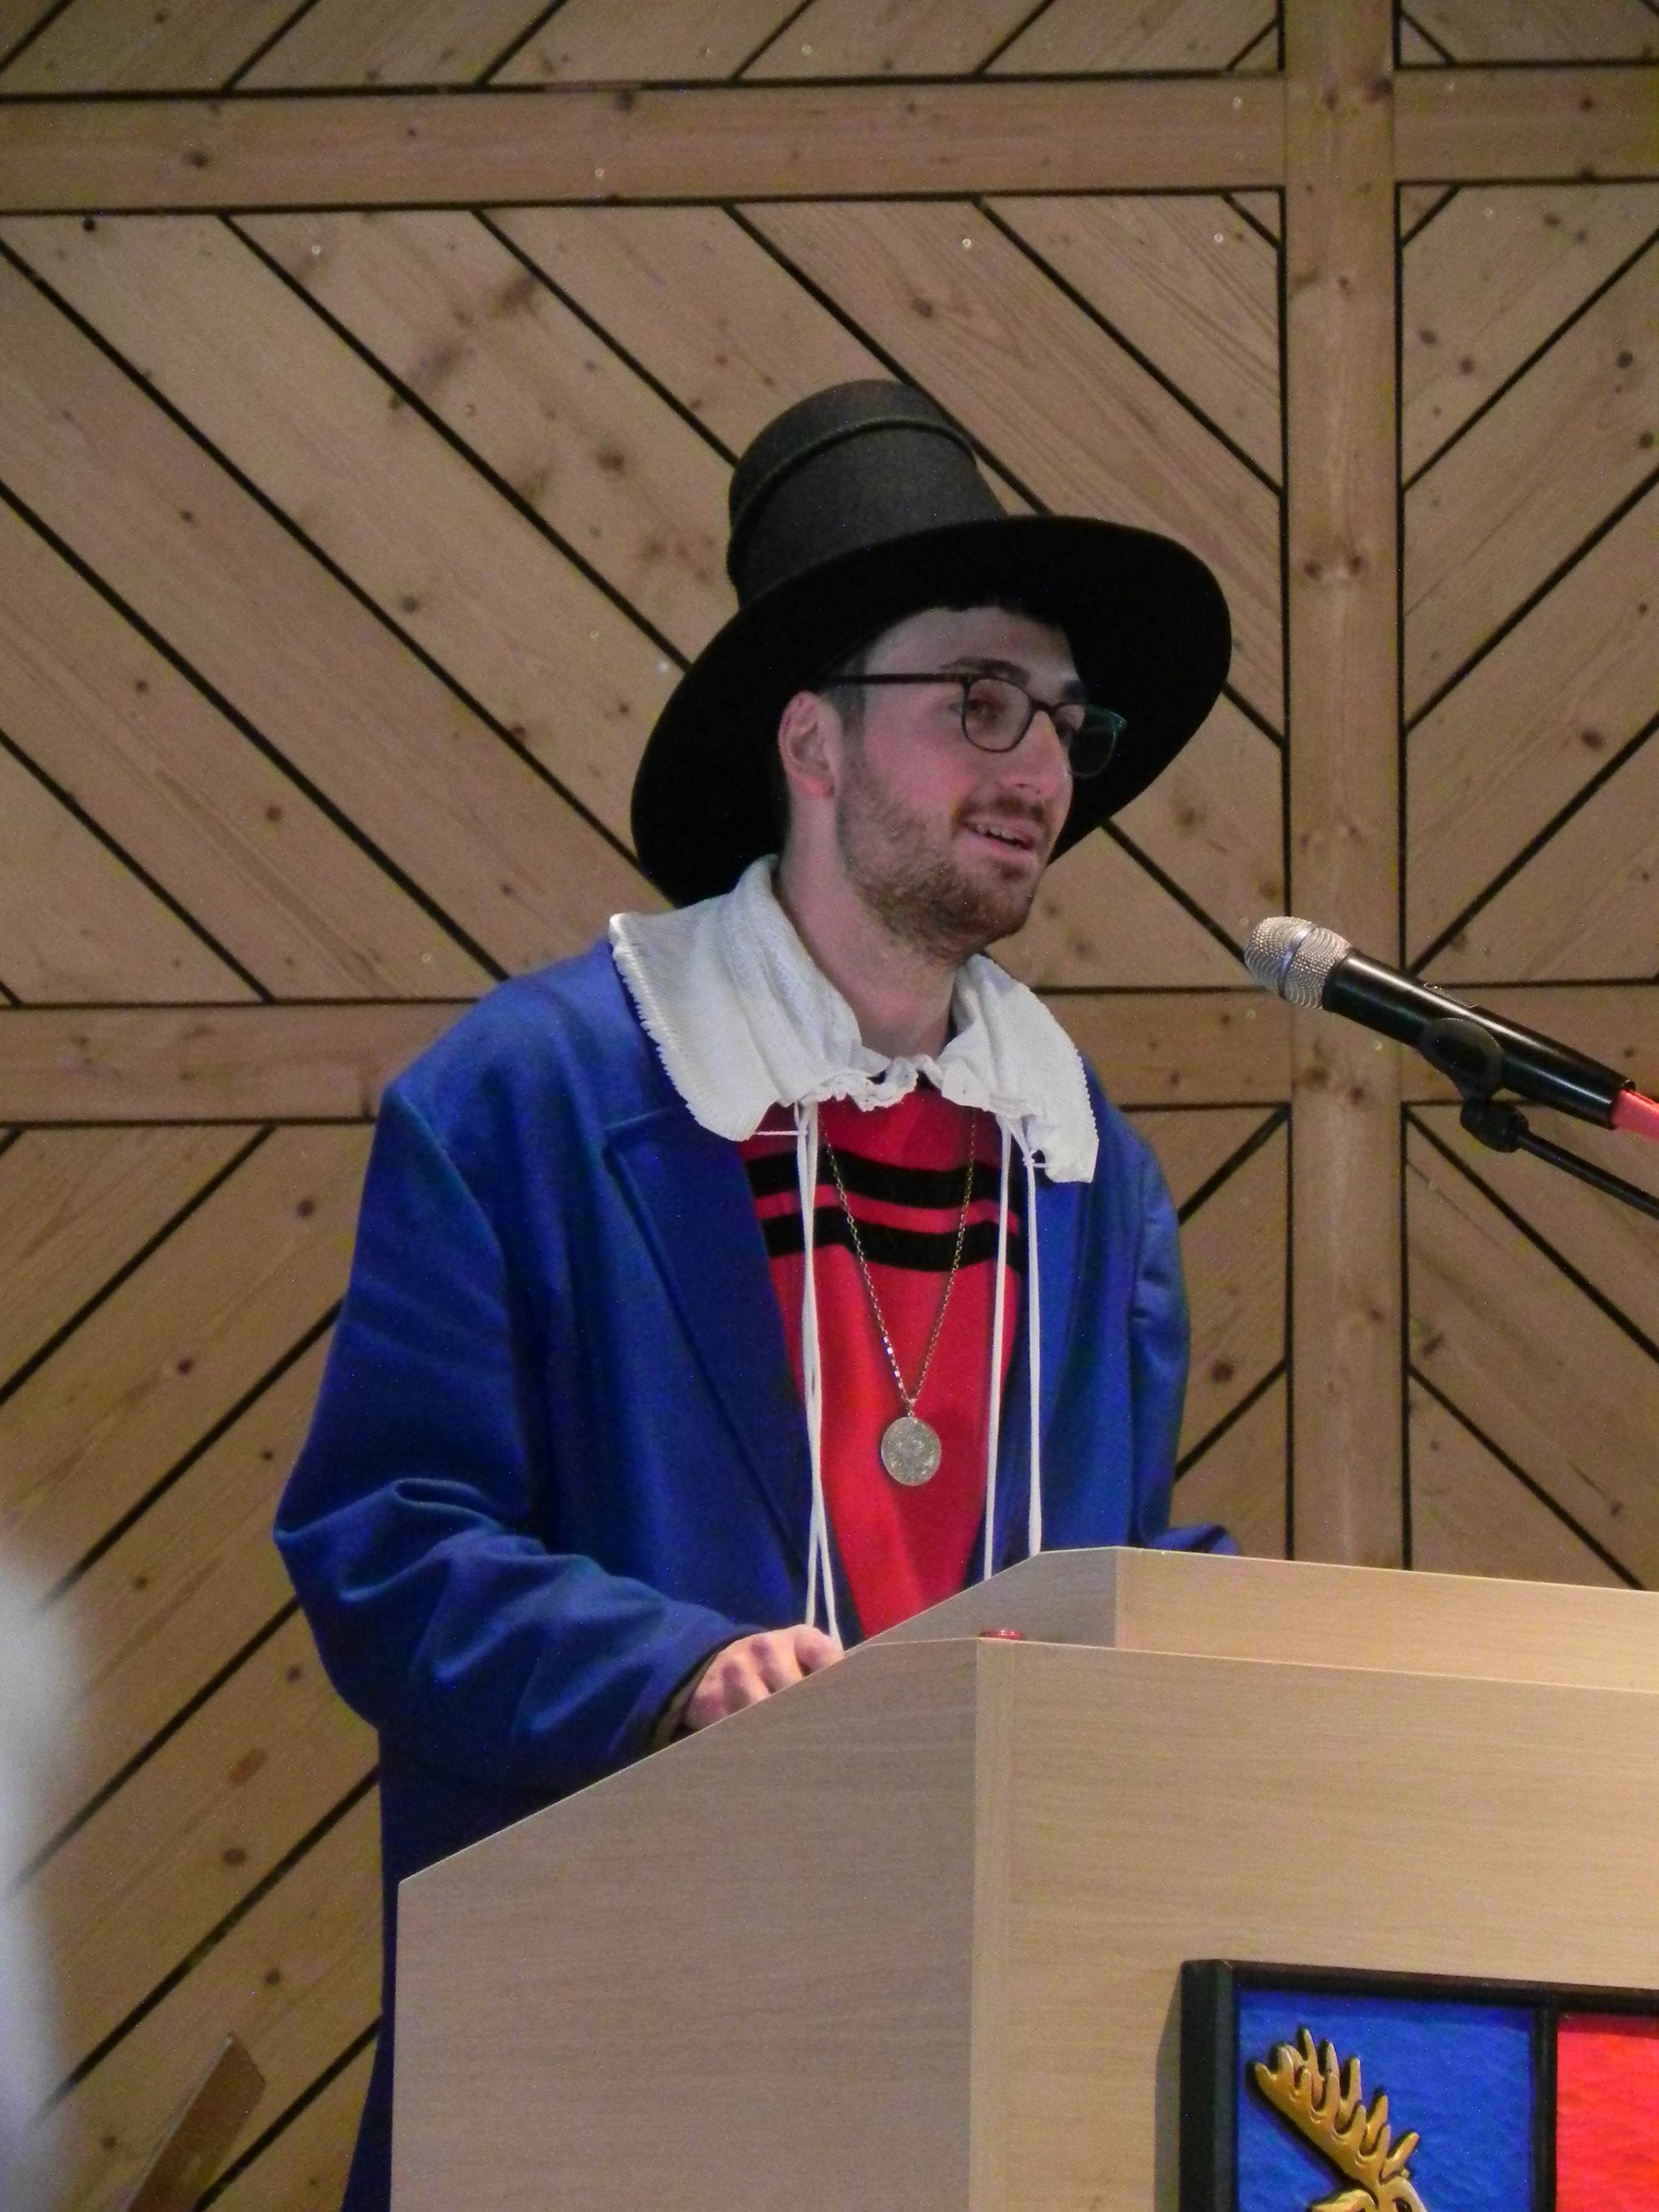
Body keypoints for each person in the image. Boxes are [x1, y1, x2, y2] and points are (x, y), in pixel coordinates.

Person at [275, 380, 1236, 2210]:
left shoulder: (1082, 1157)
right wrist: (677, 1674)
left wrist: (1208, 1641)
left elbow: (1099, 1547)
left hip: (984, 2038)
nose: (1041, 771)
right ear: (814, 740)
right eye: (981, 702)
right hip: (623, 2043)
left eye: (1064, 720)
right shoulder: (532, 1097)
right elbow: (385, 1545)